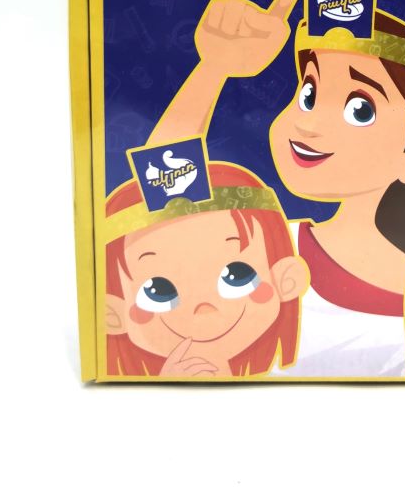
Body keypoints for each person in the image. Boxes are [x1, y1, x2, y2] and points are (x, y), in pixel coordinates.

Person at [148, 0, 405, 377]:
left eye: (359, 109)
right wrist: (214, 69)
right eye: (309, 93)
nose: (308, 123)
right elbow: (165, 207)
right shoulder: (266, 249)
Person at [105, 159, 309, 378]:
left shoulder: (302, 366)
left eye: (237, 275)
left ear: (286, 279)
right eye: (159, 291)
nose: (203, 308)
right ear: (113, 314)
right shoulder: (128, 391)